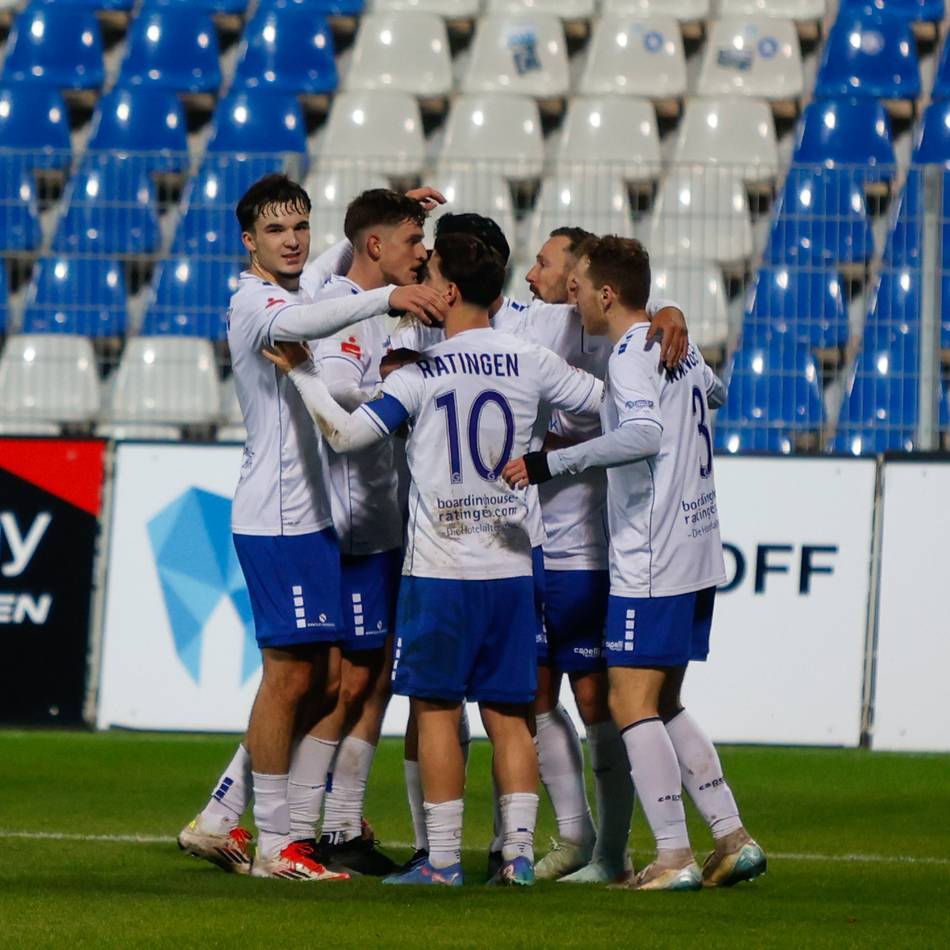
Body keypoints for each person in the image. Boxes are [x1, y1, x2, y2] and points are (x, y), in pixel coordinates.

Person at [264, 233, 605, 887]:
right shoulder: (531, 358)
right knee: (511, 714)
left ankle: (442, 861)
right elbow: (608, 404)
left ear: (448, 290)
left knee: (437, 710)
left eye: (433, 272)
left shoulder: (421, 374)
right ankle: (519, 857)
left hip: (441, 570)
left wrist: (302, 370)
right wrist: (549, 452)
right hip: (512, 565)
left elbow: (344, 435)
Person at [177, 174, 448, 882]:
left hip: (312, 519)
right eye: (276, 231)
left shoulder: (297, 284)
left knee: (322, 678)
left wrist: (390, 222)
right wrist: (390, 293)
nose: (292, 241)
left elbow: (329, 272)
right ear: (248, 242)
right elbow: (306, 322)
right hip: (278, 517)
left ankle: (226, 820)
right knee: (291, 677)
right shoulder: (256, 303)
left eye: (300, 226)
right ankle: (274, 844)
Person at [504, 235, 766, 891]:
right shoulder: (670, 342)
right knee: (663, 699)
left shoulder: (627, 353)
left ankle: (673, 855)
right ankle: (732, 837)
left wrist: (550, 462)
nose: (575, 294)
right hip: (699, 546)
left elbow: (644, 433)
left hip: (652, 551)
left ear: (607, 294)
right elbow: (719, 394)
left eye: (582, 284)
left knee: (628, 699)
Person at [298, 189, 436, 875]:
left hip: (387, 526)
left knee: (375, 680)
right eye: (413, 240)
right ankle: (298, 827)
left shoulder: (391, 308)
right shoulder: (347, 315)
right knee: (347, 685)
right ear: (376, 247)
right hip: (352, 526)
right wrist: (394, 388)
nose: (424, 252)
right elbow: (332, 389)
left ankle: (344, 827)